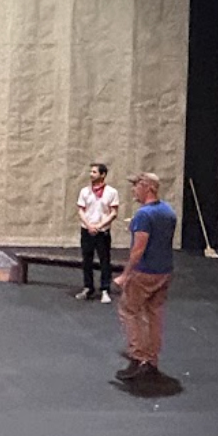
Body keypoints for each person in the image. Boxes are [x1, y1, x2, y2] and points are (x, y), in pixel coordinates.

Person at [116, 173, 178, 380]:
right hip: (164, 271)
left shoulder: (144, 214)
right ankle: (152, 360)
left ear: (147, 187)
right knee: (154, 315)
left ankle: (137, 357)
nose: (133, 190)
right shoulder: (168, 211)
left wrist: (125, 274)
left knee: (129, 311)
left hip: (144, 272)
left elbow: (138, 249)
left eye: (136, 185)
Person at [76, 162, 120, 303]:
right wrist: (89, 225)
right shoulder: (84, 191)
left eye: (94, 172)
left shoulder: (112, 192)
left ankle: (105, 289)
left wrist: (99, 225)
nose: (91, 174)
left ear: (103, 174)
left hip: (102, 232)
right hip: (87, 230)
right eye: (91, 172)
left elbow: (113, 213)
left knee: (104, 260)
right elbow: (81, 210)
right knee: (86, 260)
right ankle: (88, 287)